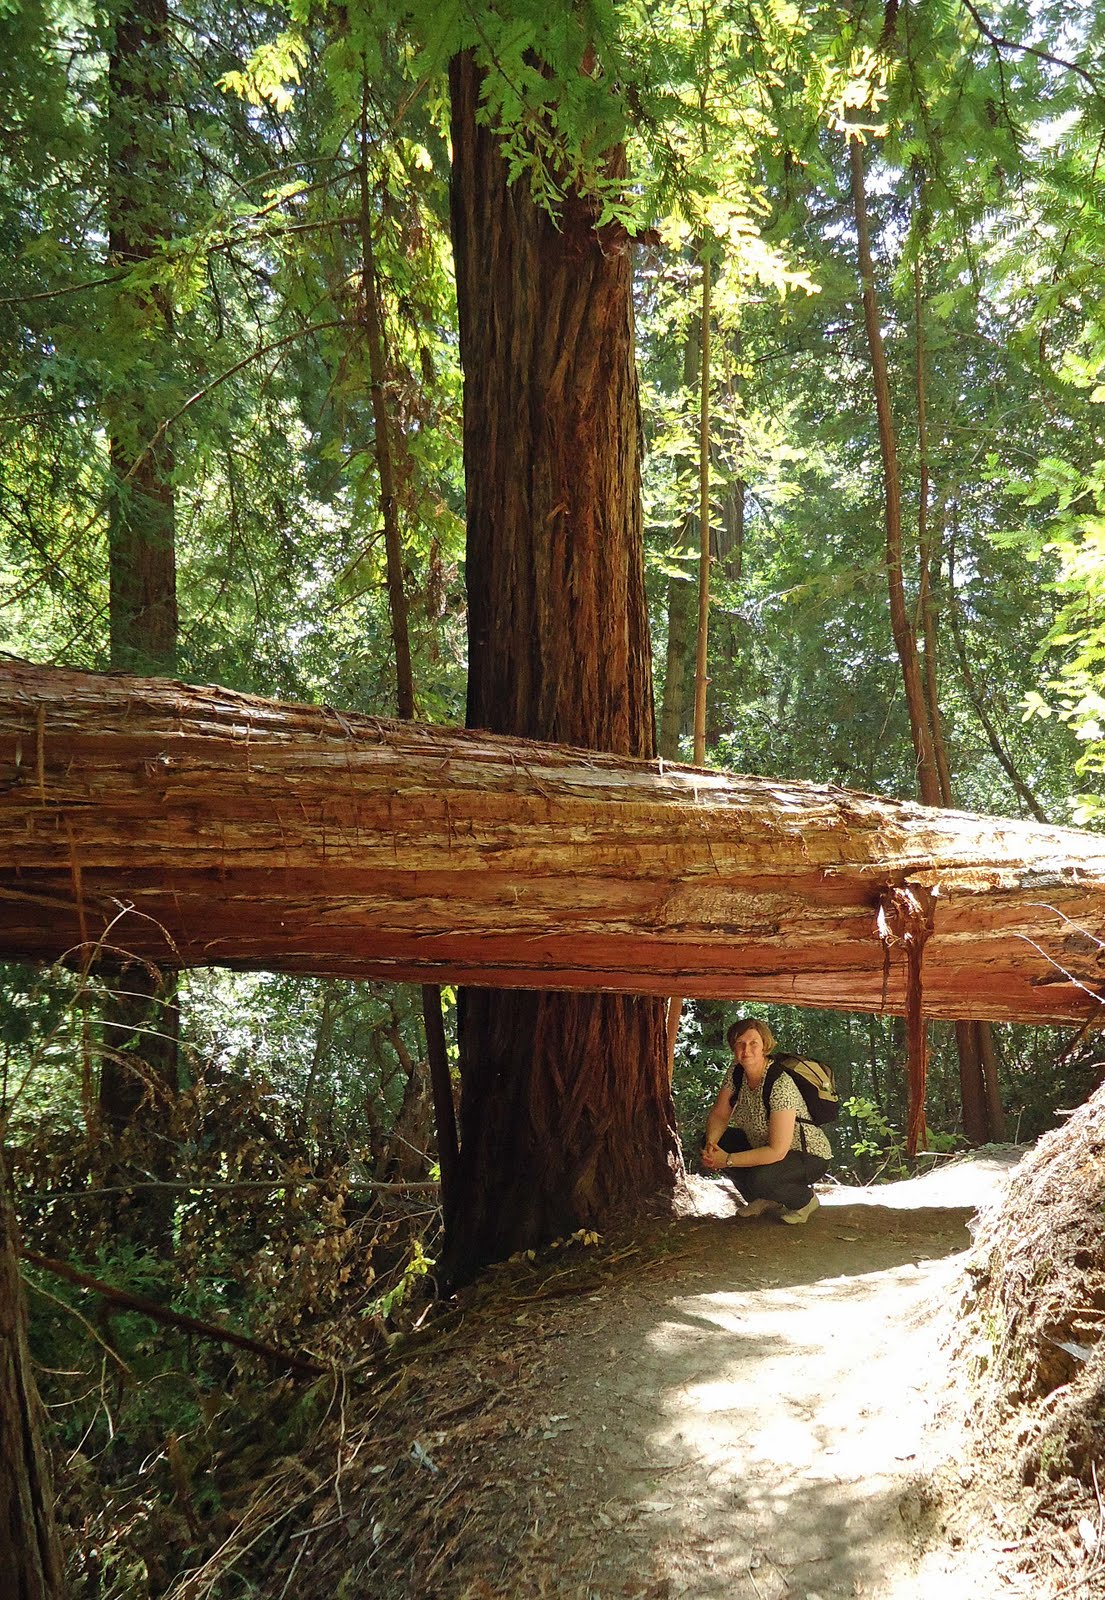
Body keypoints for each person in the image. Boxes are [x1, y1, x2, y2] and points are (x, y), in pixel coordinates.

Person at [701, 1017, 831, 1224]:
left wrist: (727, 1160)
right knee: (717, 1141)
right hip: (761, 1143)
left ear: (765, 1046)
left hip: (806, 1155)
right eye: (740, 1044)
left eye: (753, 1043)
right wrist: (712, 1146)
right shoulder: (736, 1073)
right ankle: (764, 1199)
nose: (746, 1050)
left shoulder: (780, 1084)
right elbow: (720, 1114)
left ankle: (804, 1201)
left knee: (762, 1180)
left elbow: (777, 1150)